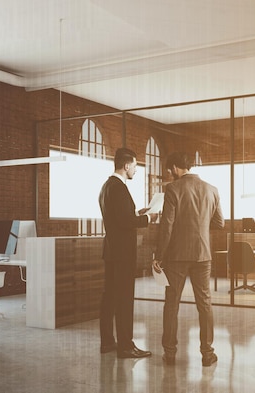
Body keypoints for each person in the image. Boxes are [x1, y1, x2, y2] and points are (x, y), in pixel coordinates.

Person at [152, 152, 224, 367]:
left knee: (171, 303)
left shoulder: (173, 189)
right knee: (205, 303)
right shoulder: (213, 190)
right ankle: (207, 353)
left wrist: (159, 255)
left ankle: (170, 353)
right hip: (203, 254)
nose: (169, 173)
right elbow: (219, 223)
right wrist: (199, 228)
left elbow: (167, 226)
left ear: (175, 168)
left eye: (169, 170)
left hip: (176, 256)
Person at [99, 147, 158, 358]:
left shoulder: (107, 186)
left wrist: (136, 213)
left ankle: (107, 342)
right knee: (124, 300)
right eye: (134, 166)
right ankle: (126, 346)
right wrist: (148, 219)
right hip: (123, 254)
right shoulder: (119, 188)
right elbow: (125, 222)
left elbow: (119, 217)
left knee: (110, 298)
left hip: (111, 251)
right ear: (126, 165)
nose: (135, 170)